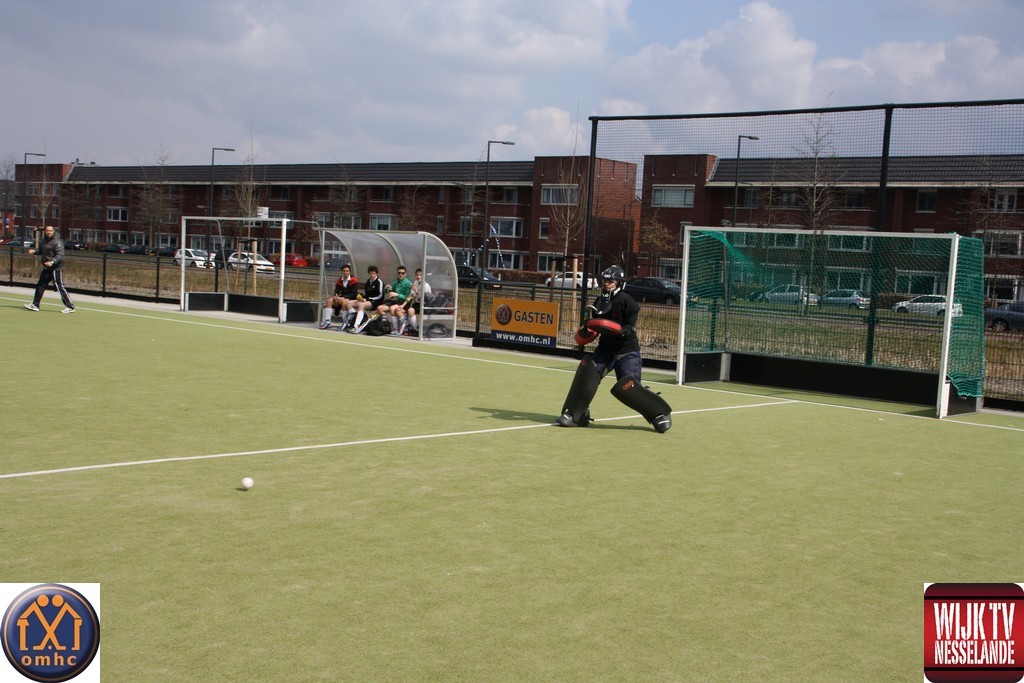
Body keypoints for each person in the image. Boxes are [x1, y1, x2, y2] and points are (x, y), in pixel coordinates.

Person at [556, 265, 672, 433]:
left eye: (610, 281)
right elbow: (594, 324)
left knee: (630, 388)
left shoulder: (627, 301)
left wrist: (623, 330)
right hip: (605, 349)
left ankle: (659, 413)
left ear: (619, 283)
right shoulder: (599, 301)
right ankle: (576, 414)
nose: (607, 283)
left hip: (626, 351)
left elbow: (630, 326)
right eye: (605, 280)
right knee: (588, 374)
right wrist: (586, 330)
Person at [24, 225, 76, 314]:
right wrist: (35, 252)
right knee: (40, 285)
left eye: (50, 231)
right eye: (47, 230)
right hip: (47, 268)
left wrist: (52, 262)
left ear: (53, 231)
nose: (48, 232)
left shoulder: (57, 241)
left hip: (56, 268)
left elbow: (60, 255)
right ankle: (35, 305)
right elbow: (41, 251)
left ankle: (70, 306)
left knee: (59, 286)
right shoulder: (44, 240)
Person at [320, 263, 358, 330]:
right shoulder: (339, 280)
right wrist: (335, 296)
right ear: (342, 272)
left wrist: (344, 297)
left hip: (350, 299)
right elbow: (336, 291)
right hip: (340, 298)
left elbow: (354, 293)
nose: (346, 272)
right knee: (329, 301)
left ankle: (345, 322)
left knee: (343, 301)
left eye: (347, 271)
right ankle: (327, 322)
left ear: (350, 272)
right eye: (344, 271)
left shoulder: (354, 280)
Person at [350, 265, 385, 332]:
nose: (372, 275)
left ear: (376, 274)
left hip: (376, 302)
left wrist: (367, 299)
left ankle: (356, 326)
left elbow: (380, 296)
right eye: (370, 273)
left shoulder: (379, 282)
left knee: (361, 305)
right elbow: (366, 294)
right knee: (349, 303)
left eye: (374, 273)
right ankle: (350, 323)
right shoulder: (368, 282)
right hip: (367, 301)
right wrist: (361, 298)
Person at [378, 265, 412, 334]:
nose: (401, 274)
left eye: (402, 273)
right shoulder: (396, 282)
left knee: (392, 308)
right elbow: (389, 291)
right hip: (397, 302)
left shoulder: (408, 283)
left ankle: (398, 328)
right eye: (399, 273)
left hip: (405, 303)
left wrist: (397, 294)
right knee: (380, 308)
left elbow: (407, 297)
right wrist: (386, 288)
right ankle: (387, 325)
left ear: (405, 274)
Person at [402, 268, 432, 336]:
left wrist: (417, 291)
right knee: (401, 310)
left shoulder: (426, 286)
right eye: (417, 275)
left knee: (410, 310)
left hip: (424, 304)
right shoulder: (415, 282)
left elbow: (424, 299)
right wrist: (403, 305)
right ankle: (413, 328)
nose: (418, 277)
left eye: (420, 275)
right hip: (417, 303)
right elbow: (412, 295)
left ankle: (416, 330)